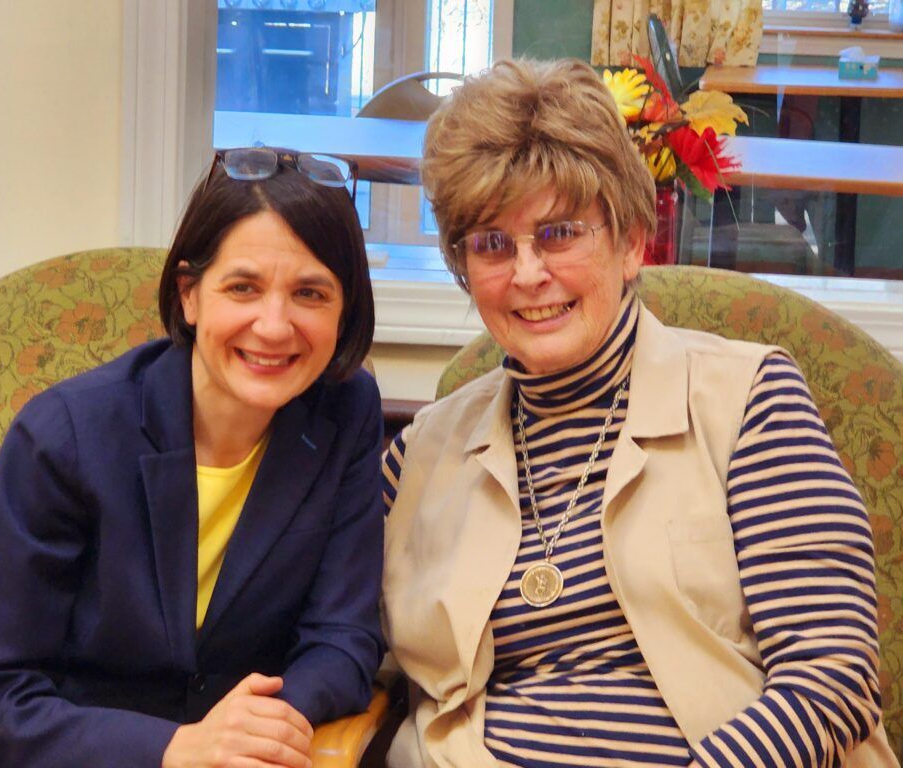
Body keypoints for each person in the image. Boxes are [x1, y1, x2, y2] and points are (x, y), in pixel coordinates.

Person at [381, 59, 898, 767]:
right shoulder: (419, 456)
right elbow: (326, 640)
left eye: (560, 233)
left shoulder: (748, 401)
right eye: (493, 244)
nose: (528, 273)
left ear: (629, 242)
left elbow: (831, 676)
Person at [0, 146, 385, 768]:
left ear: (345, 310)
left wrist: (256, 726)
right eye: (243, 287)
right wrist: (174, 746)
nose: (275, 325)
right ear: (190, 295)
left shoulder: (346, 412)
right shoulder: (65, 435)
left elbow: (344, 639)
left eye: (311, 293)